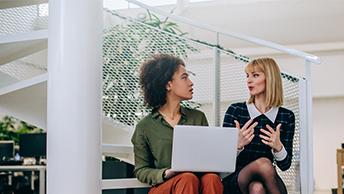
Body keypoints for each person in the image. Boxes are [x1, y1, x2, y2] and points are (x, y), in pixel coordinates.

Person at [131, 54, 223, 194]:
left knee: (211, 178)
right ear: (169, 85)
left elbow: (207, 157)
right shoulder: (145, 127)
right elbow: (141, 170)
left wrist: (235, 147)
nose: (191, 83)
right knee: (186, 178)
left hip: (196, 184)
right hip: (166, 187)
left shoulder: (198, 118)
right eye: (184, 77)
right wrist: (167, 173)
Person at [222, 57, 295, 194]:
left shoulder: (286, 116)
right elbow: (221, 161)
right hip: (237, 177)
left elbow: (285, 166)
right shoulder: (236, 111)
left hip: (267, 178)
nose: (249, 80)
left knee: (257, 188)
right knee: (264, 163)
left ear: (270, 79)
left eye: (255, 75)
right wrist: (237, 145)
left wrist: (278, 147)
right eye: (247, 76)